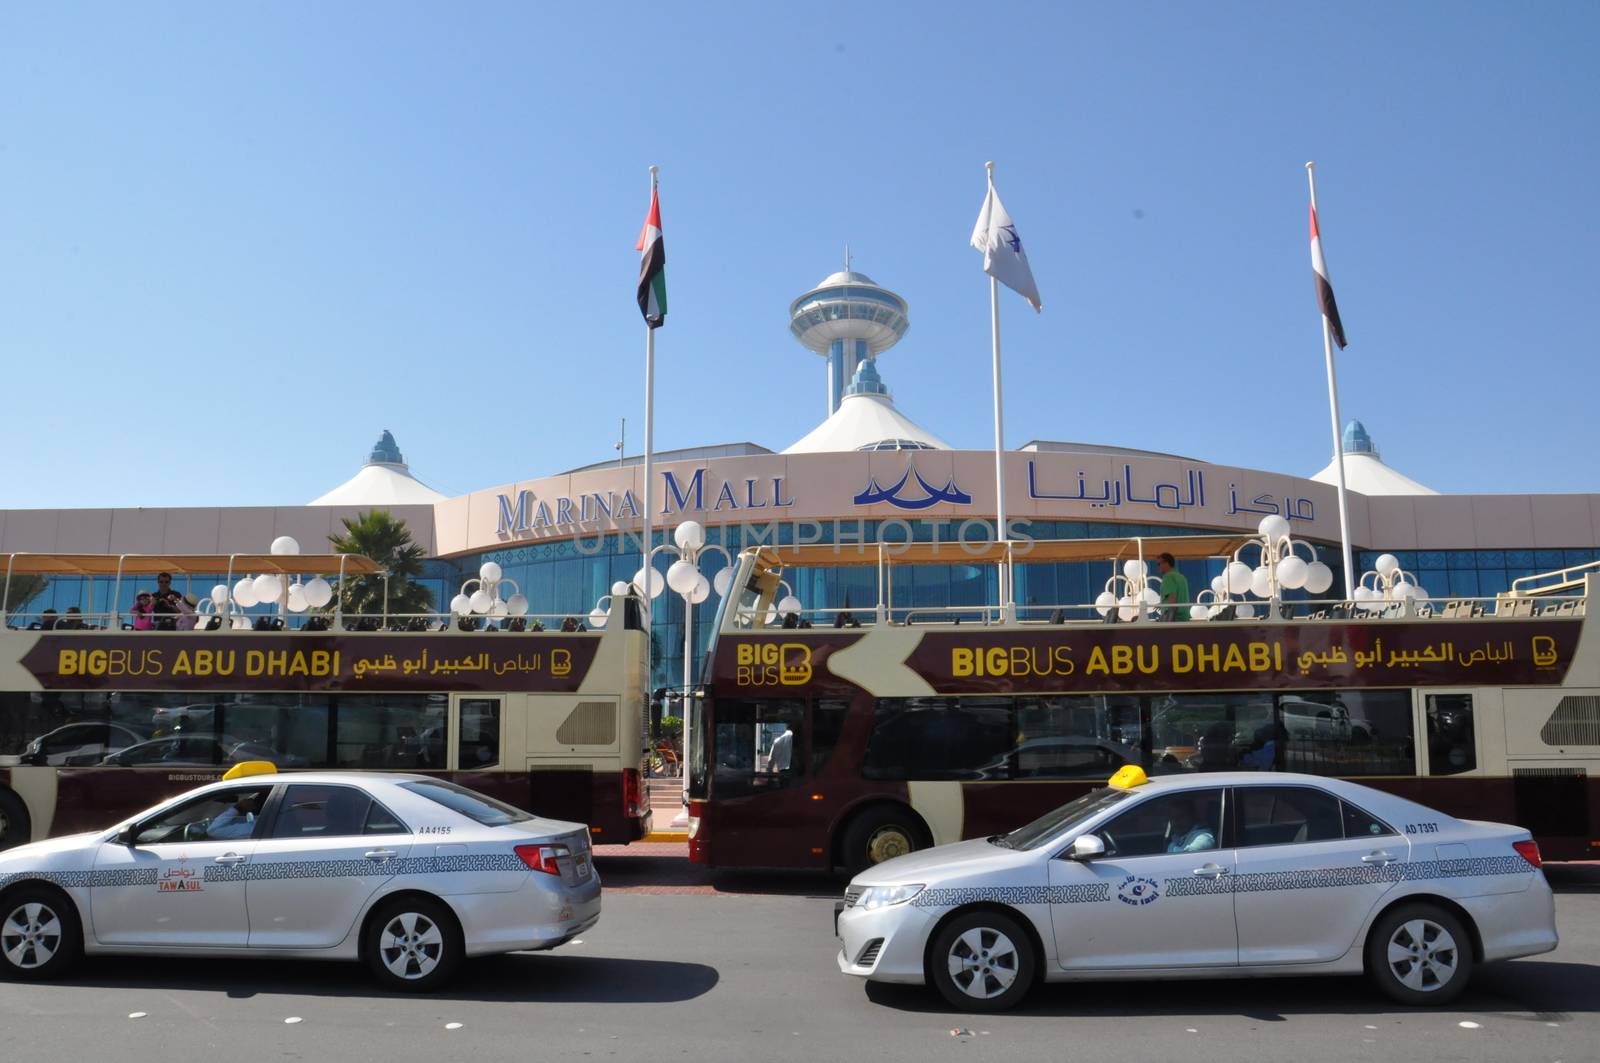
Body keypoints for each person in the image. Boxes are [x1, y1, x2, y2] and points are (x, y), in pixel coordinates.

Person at [1156, 553, 1190, 621]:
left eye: (1159, 564)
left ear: (1166, 563)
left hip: (1175, 620)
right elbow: (1179, 597)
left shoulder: (1168, 577)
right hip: (1184, 619)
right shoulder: (1181, 577)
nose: (1158, 567)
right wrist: (1162, 604)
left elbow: (1172, 599)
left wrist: (1169, 623)